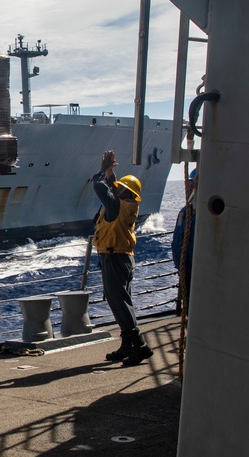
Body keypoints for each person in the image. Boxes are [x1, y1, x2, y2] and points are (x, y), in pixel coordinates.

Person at [92, 149, 153, 366]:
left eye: (119, 189)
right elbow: (113, 190)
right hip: (124, 257)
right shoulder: (129, 205)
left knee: (118, 302)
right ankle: (128, 345)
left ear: (123, 192)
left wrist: (102, 171)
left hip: (113, 257)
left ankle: (139, 345)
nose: (115, 190)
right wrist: (110, 174)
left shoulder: (116, 205)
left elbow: (100, 188)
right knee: (124, 302)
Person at [172, 168, 197, 310]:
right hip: (185, 268)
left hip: (199, 270)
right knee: (189, 307)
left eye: (193, 185)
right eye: (188, 184)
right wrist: (179, 265)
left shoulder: (205, 213)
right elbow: (177, 241)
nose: (189, 188)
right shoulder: (184, 212)